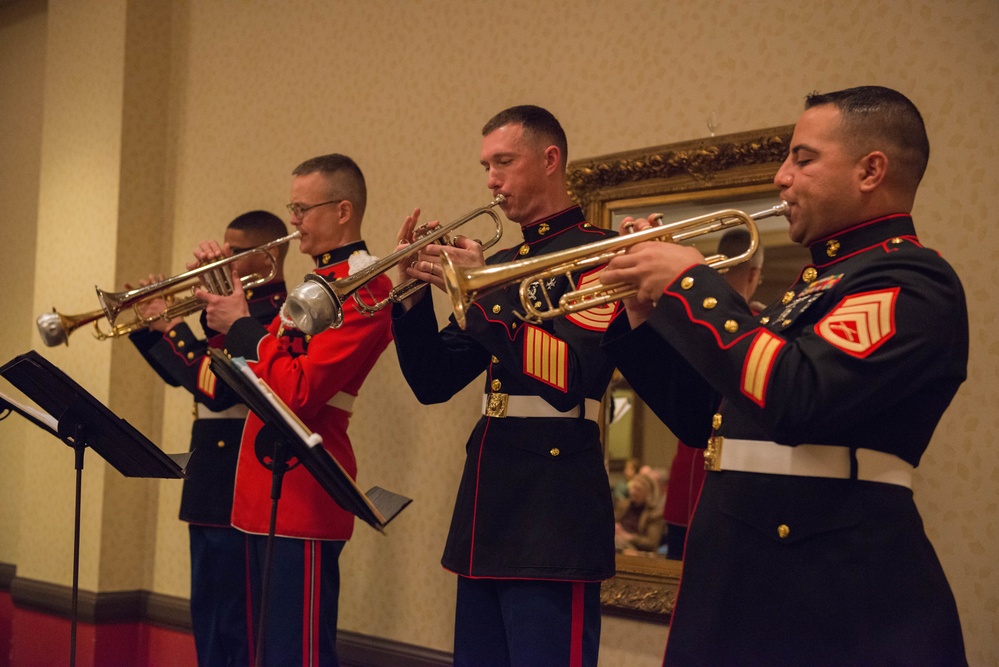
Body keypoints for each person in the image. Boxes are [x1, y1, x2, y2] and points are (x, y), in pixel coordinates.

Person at [600, 86, 967, 664]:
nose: (781, 177)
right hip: (745, 581)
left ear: (872, 170)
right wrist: (644, 314)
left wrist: (691, 282)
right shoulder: (813, 290)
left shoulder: (911, 280)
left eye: (803, 158)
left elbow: (797, 395)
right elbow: (707, 420)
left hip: (827, 593)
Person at [391, 105, 617, 667]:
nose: (491, 180)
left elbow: (568, 376)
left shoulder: (600, 255)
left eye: (504, 162)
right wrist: (413, 295)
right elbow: (433, 381)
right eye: (486, 165)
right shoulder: (506, 263)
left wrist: (476, 294)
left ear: (549, 160)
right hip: (488, 502)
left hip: (555, 506)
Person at [196, 154, 394, 667]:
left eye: (303, 208)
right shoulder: (317, 282)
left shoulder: (365, 286)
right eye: (293, 207)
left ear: (343, 210)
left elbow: (299, 391)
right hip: (261, 490)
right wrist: (226, 311)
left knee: (295, 654)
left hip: (305, 492)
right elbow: (260, 375)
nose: (294, 220)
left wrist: (242, 326)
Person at [127, 210, 289, 667]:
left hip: (241, 473)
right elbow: (188, 376)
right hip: (211, 477)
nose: (224, 262)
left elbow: (217, 390)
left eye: (235, 254)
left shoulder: (276, 313)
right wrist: (145, 328)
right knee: (211, 621)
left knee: (236, 628)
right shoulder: (228, 309)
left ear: (269, 256)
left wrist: (172, 326)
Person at [662, 227, 764, 560]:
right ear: (755, 274)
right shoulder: (760, 330)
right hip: (731, 493)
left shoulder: (688, 317)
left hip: (684, 491)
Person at [614, 471, 664, 552]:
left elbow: (651, 543)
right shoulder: (623, 505)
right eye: (633, 488)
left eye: (638, 489)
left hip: (637, 550)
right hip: (618, 542)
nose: (632, 492)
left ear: (648, 493)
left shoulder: (655, 513)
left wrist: (629, 537)